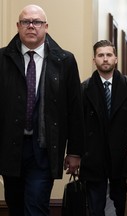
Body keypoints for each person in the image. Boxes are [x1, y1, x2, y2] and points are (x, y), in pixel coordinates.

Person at [0, 4, 85, 216]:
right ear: (18, 26)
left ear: (46, 26)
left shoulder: (64, 61)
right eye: (26, 22)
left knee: (36, 207)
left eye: (36, 22)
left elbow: (75, 110)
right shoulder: (2, 59)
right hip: (10, 148)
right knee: (15, 205)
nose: (31, 26)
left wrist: (74, 151)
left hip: (44, 149)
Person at [79, 40, 127, 216]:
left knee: (123, 204)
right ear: (94, 59)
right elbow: (79, 124)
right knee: (96, 207)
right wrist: (75, 153)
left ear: (116, 59)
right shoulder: (84, 88)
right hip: (94, 155)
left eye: (108, 55)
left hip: (122, 154)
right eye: (100, 55)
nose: (105, 59)